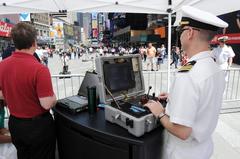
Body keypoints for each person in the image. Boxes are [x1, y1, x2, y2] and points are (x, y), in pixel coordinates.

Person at [145, 6, 228, 159]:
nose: (179, 37)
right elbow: (204, 101)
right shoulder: (214, 67)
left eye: (180, 32)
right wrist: (175, 97)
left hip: (182, 152)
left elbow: (182, 132)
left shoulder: (189, 74)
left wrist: (160, 113)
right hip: (202, 149)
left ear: (189, 33)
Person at [0, 22, 57, 159]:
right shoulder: (39, 69)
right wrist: (54, 97)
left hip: (16, 124)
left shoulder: (2, 65)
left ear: (14, 42)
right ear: (34, 42)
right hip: (38, 127)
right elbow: (47, 104)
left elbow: (1, 94)